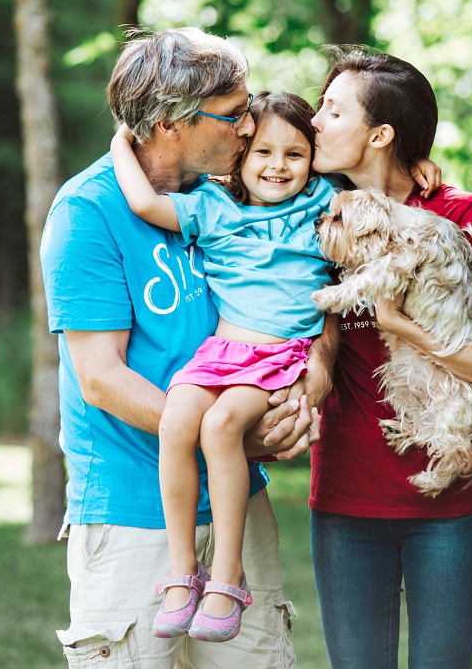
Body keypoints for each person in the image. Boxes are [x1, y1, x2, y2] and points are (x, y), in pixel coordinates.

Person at [41, 29, 331, 668]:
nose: (250, 124)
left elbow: (318, 279)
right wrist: (227, 435)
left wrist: (315, 378)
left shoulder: (237, 193)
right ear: (171, 123)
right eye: (234, 114)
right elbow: (101, 379)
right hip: (132, 513)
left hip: (238, 507)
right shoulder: (88, 213)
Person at [306, 49, 472, 668]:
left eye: (333, 110)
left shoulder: (464, 217)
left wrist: (408, 328)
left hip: (453, 510)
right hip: (347, 500)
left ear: (380, 134)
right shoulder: (313, 213)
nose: (315, 122)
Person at [109, 90, 335, 642]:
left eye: (294, 154)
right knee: (178, 422)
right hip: (220, 354)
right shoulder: (214, 207)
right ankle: (184, 572)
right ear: (241, 154)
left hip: (279, 356)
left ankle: (227, 576)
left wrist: (418, 160)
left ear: (314, 160)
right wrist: (122, 140)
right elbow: (144, 204)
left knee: (221, 425)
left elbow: (382, 180)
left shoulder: (327, 203)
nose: (277, 165)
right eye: (262, 150)